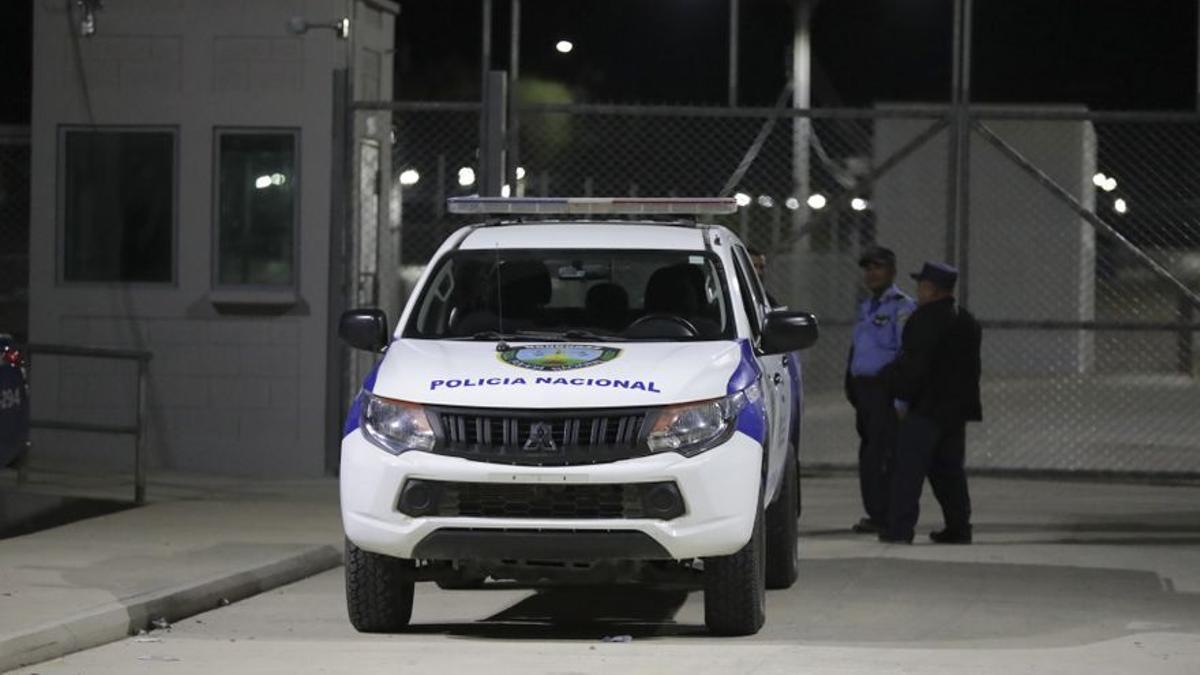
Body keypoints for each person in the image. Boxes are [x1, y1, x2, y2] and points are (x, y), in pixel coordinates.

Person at [880, 262, 983, 545]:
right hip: (955, 410)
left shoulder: (923, 319)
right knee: (949, 471)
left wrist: (899, 395)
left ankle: (899, 530)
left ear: (931, 289)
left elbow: (914, 366)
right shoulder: (966, 320)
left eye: (922, 285)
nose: (918, 290)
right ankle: (959, 527)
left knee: (908, 471)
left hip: (925, 408)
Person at [844, 246, 915, 534]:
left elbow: (905, 354)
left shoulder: (901, 307)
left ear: (892, 271)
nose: (871, 273)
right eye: (868, 268)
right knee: (871, 453)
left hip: (884, 391)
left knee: (884, 455)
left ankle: (886, 514)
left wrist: (900, 398)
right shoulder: (867, 306)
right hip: (865, 392)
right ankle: (876, 511)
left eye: (878, 267)